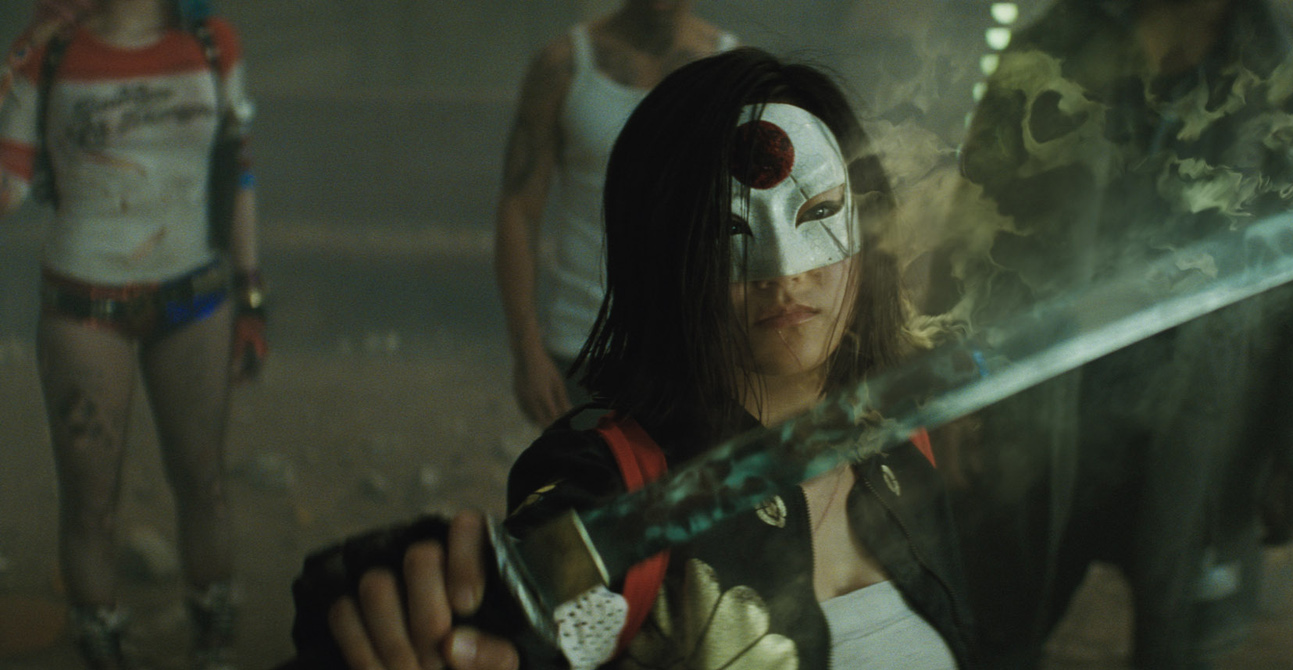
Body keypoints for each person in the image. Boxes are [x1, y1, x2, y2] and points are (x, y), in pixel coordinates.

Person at [287, 48, 974, 670]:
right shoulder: (621, 487)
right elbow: (530, 597)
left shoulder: (901, 437)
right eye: (727, 230)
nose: (787, 273)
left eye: (820, 212)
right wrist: (425, 613)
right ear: (664, 257)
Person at [948, 0, 1293, 667]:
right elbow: (972, 233)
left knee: (1179, 647)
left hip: (1211, 426)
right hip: (1044, 419)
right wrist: (955, 395)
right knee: (990, 634)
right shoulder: (1050, 50)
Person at [0, 0, 264, 668]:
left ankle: (214, 647)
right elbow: (7, 189)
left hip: (194, 293)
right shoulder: (52, 52)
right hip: (84, 300)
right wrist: (15, 68)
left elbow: (237, 172)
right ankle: (103, 647)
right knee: (90, 504)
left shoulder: (213, 45)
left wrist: (251, 297)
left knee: (203, 482)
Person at [494, 0, 735, 427]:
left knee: (700, 474)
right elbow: (519, 208)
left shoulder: (731, 70)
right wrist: (527, 350)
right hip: (586, 345)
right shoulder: (565, 65)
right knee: (594, 472)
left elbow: (756, 213)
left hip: (700, 350)